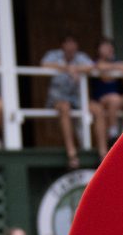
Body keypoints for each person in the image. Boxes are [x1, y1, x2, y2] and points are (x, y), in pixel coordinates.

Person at [40, 34, 94, 168]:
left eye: (73, 43)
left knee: (96, 109)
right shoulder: (54, 55)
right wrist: (67, 68)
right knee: (65, 107)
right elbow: (44, 64)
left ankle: (102, 152)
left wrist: (76, 69)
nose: (71, 46)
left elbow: (91, 66)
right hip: (58, 98)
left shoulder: (80, 57)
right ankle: (71, 152)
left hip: (77, 100)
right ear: (63, 45)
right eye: (68, 43)